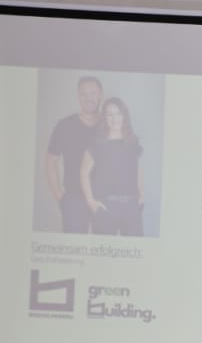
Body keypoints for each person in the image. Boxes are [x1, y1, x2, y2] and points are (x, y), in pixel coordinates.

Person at [46, 76, 103, 233]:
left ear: (100, 95)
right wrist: (61, 198)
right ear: (78, 96)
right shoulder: (64, 125)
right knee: (74, 244)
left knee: (103, 245)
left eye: (93, 93)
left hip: (104, 198)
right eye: (83, 94)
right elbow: (50, 163)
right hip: (74, 198)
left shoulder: (109, 124)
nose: (88, 98)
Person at [79, 97, 144, 236]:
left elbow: (136, 170)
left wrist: (141, 195)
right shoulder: (96, 144)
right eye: (110, 115)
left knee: (133, 247)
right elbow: (84, 174)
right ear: (104, 118)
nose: (115, 119)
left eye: (118, 113)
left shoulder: (132, 142)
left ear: (124, 116)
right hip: (105, 207)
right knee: (104, 247)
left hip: (131, 206)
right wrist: (91, 202)